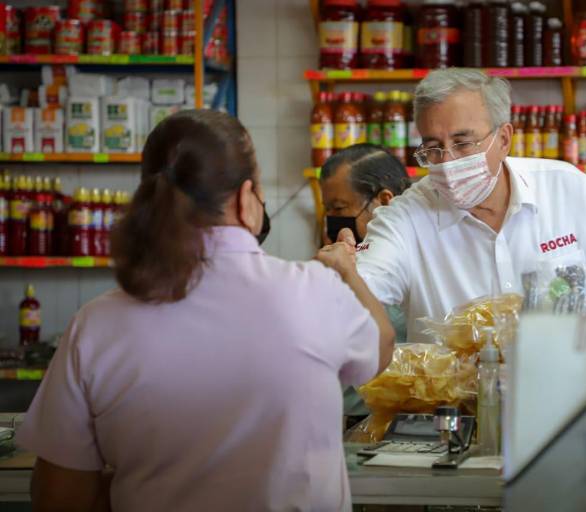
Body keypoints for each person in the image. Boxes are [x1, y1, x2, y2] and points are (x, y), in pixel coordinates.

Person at [17, 110, 394, 511]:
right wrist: (347, 270)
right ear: (245, 199)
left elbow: (59, 497)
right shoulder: (314, 291)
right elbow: (380, 347)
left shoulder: (95, 324)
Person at [337, 69, 586, 341]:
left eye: (463, 143)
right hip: (456, 414)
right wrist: (339, 273)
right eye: (433, 148)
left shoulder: (567, 187)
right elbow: (359, 294)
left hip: (568, 399)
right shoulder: (405, 218)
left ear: (504, 139)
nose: (447, 162)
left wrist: (578, 347)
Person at [319, 143, 410, 422]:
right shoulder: (336, 262)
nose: (332, 220)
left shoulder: (407, 265)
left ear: (384, 202)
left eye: (340, 208)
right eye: (328, 210)